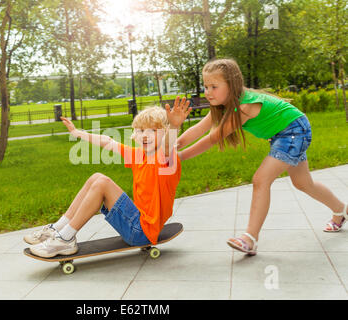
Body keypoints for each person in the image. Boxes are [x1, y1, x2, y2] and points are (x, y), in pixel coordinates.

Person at [176, 58, 347, 256]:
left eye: (214, 86)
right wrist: (172, 145)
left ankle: (250, 238)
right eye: (206, 86)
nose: (208, 92)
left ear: (231, 85)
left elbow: (212, 138)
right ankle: (341, 210)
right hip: (286, 132)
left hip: (294, 131)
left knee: (261, 179)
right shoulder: (224, 105)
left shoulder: (244, 106)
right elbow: (199, 129)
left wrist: (179, 157)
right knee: (303, 183)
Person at [24, 98, 191, 258]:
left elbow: (168, 146)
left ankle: (65, 239)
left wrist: (174, 126)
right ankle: (57, 229)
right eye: (140, 131)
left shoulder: (167, 161)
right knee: (96, 177)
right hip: (135, 224)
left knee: (103, 182)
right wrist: (77, 132)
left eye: (153, 131)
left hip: (142, 232)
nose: (145, 136)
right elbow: (107, 141)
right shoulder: (139, 155)